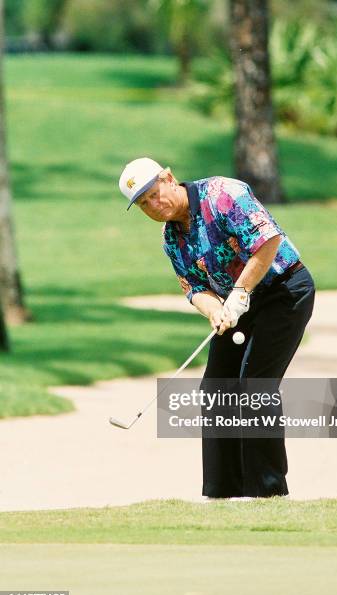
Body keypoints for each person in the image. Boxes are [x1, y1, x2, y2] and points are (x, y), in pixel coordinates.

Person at [119, 157, 315, 498]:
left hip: (283, 291)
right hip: (235, 305)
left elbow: (267, 241)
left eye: (154, 193)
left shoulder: (223, 194)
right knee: (216, 388)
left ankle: (267, 492)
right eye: (143, 204)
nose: (153, 205)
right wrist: (215, 311)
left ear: (168, 178)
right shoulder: (171, 238)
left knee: (254, 384)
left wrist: (240, 291)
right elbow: (194, 288)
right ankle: (222, 492)